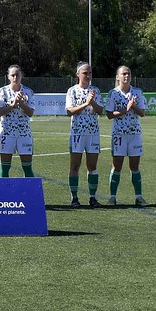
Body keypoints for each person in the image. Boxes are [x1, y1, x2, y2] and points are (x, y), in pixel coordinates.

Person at [103, 65, 147, 206]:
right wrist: (125, 109)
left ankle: (139, 197)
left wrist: (133, 106)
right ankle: (112, 197)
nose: (126, 76)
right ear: (117, 77)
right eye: (123, 74)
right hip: (119, 134)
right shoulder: (113, 93)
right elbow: (109, 114)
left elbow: (142, 113)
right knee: (117, 166)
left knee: (135, 166)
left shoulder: (137, 92)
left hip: (134, 134)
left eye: (128, 74)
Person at [65, 62, 102, 206]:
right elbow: (69, 111)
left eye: (90, 73)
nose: (88, 75)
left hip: (93, 133)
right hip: (77, 133)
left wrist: (92, 102)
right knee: (75, 166)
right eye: (85, 73)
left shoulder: (95, 91)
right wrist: (86, 103)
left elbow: (100, 111)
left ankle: (93, 198)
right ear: (78, 74)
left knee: (92, 166)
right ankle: (74, 198)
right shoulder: (72, 91)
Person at [0, 65, 35, 177]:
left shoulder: (28, 92)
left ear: (21, 76)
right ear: (8, 77)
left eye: (17, 75)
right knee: (4, 167)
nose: (15, 77)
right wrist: (13, 104)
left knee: (27, 168)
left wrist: (21, 103)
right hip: (7, 132)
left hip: (24, 133)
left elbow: (30, 112)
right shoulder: (2, 91)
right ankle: (2, 193)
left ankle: (29, 194)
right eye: (12, 75)